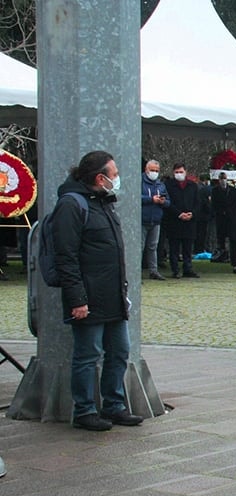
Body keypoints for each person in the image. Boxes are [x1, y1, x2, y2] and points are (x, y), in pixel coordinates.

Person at [52, 150, 144, 431]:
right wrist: (77, 299)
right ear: (100, 177)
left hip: (112, 294)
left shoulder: (104, 202)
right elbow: (66, 257)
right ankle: (84, 410)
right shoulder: (72, 204)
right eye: (114, 175)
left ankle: (114, 405)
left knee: (119, 351)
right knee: (88, 354)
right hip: (88, 296)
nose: (117, 179)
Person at [163, 163, 200, 278]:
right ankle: (175, 270)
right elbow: (167, 203)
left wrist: (192, 214)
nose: (179, 174)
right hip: (174, 221)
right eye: (176, 172)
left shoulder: (193, 186)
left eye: (181, 172)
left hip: (189, 222)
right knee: (174, 248)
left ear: (186, 172)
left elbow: (198, 202)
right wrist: (178, 214)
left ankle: (187, 268)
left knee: (188, 248)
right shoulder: (168, 185)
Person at [140, 159, 169, 281]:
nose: (154, 172)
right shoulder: (139, 181)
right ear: (146, 170)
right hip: (142, 220)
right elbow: (135, 196)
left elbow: (168, 201)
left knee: (153, 247)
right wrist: (151, 199)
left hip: (156, 220)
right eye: (152, 170)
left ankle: (154, 271)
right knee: (139, 247)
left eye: (156, 171)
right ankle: (136, 272)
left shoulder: (160, 185)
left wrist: (163, 202)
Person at [210, 172, 233, 263]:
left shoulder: (231, 190)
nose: (223, 180)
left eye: (224, 178)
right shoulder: (215, 190)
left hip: (229, 217)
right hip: (220, 217)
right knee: (220, 237)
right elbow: (214, 204)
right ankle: (222, 254)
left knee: (231, 236)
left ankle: (230, 254)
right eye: (221, 178)